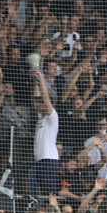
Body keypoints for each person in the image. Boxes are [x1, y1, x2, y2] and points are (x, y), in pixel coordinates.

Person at [31, 67, 60, 196]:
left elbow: (45, 97)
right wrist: (36, 79)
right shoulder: (41, 118)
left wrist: (42, 79)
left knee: (49, 191)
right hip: (40, 159)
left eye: (41, 104)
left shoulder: (52, 117)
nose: (38, 105)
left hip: (49, 159)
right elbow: (37, 96)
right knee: (42, 191)